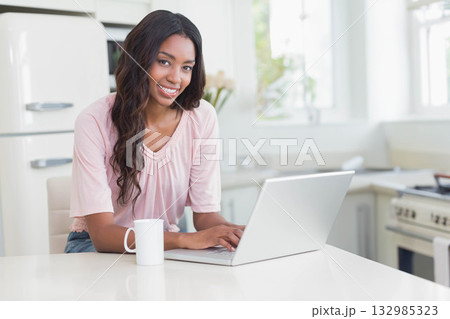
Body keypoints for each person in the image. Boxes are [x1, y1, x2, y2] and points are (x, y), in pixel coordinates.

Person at [64, 10, 244, 254]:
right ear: (138, 58)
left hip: (165, 245)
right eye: (164, 61)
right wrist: (185, 240)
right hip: (96, 249)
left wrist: (236, 234)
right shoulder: (94, 121)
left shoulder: (202, 117)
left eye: (187, 67)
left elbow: (205, 217)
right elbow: (103, 236)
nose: (175, 78)